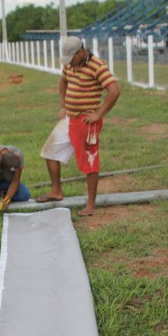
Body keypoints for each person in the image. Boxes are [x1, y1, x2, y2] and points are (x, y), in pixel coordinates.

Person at [36, 36, 121, 217]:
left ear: (81, 52)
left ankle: (91, 203)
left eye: (72, 58)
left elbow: (114, 90)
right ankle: (56, 191)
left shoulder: (98, 66)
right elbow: (63, 81)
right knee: (49, 152)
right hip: (70, 118)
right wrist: (63, 105)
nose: (69, 63)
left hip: (86, 121)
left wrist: (99, 114)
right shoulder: (69, 65)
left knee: (89, 162)